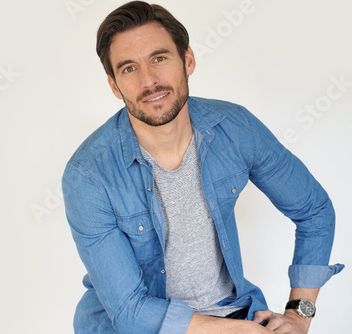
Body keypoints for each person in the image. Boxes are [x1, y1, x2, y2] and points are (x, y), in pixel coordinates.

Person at [62, 1, 344, 333]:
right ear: (114, 85)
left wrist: (299, 314)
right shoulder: (89, 176)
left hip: (233, 314)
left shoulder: (235, 129)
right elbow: (130, 312)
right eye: (129, 68)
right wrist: (241, 332)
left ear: (188, 60)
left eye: (159, 58)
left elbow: (314, 210)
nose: (149, 80)